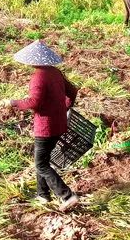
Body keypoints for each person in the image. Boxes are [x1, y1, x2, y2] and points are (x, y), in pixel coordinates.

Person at [5, 40, 79, 212]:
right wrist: (65, 107)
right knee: (43, 160)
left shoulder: (38, 76)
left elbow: (34, 102)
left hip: (46, 127)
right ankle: (43, 195)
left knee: (41, 165)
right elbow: (73, 91)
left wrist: (13, 102)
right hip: (59, 123)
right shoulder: (55, 72)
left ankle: (67, 195)